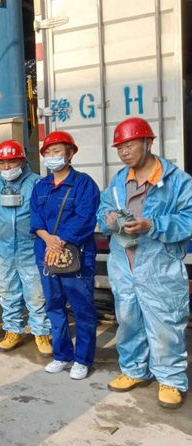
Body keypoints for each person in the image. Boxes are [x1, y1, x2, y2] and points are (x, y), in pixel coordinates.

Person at [98, 118, 192, 409]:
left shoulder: (177, 181)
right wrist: (108, 219)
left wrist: (152, 224)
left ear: (148, 143)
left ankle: (170, 380)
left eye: (130, 145)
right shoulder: (119, 181)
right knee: (128, 321)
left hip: (159, 266)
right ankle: (134, 370)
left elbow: (189, 219)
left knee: (165, 323)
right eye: (120, 148)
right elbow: (103, 210)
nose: (124, 152)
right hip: (123, 264)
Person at [30, 131, 100, 380]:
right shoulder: (41, 186)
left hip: (75, 255)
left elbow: (85, 217)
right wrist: (48, 240)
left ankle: (82, 359)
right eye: (48, 152)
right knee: (54, 306)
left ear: (70, 153)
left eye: (57, 151)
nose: (52, 156)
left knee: (82, 308)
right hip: (46, 254)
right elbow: (35, 219)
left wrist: (59, 241)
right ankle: (62, 354)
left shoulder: (83, 183)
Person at [0, 140, 53, 356]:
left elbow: (48, 216)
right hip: (3, 248)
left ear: (23, 161)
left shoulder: (38, 184)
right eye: (2, 163)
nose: (7, 167)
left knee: (36, 292)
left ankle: (41, 333)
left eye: (12, 161)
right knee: (7, 291)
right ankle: (13, 330)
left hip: (31, 246)